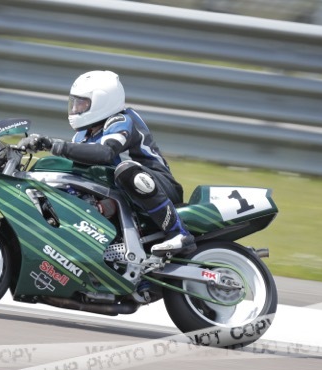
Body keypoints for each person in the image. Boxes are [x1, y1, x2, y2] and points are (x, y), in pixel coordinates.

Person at [21, 70, 196, 256]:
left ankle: (179, 234)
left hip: (159, 187)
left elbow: (106, 153)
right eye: (74, 103)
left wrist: (53, 145)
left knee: (127, 171)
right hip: (124, 195)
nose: (76, 108)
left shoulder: (121, 120)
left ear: (102, 102)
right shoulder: (82, 135)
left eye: (82, 103)